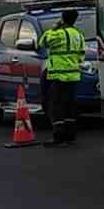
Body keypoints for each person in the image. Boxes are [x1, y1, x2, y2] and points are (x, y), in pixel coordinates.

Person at [37, 9, 86, 146]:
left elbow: (43, 42)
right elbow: (81, 56)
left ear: (63, 19)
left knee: (56, 106)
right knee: (69, 105)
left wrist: (54, 27)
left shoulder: (58, 34)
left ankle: (58, 136)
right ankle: (70, 135)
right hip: (74, 75)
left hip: (58, 75)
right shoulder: (79, 35)